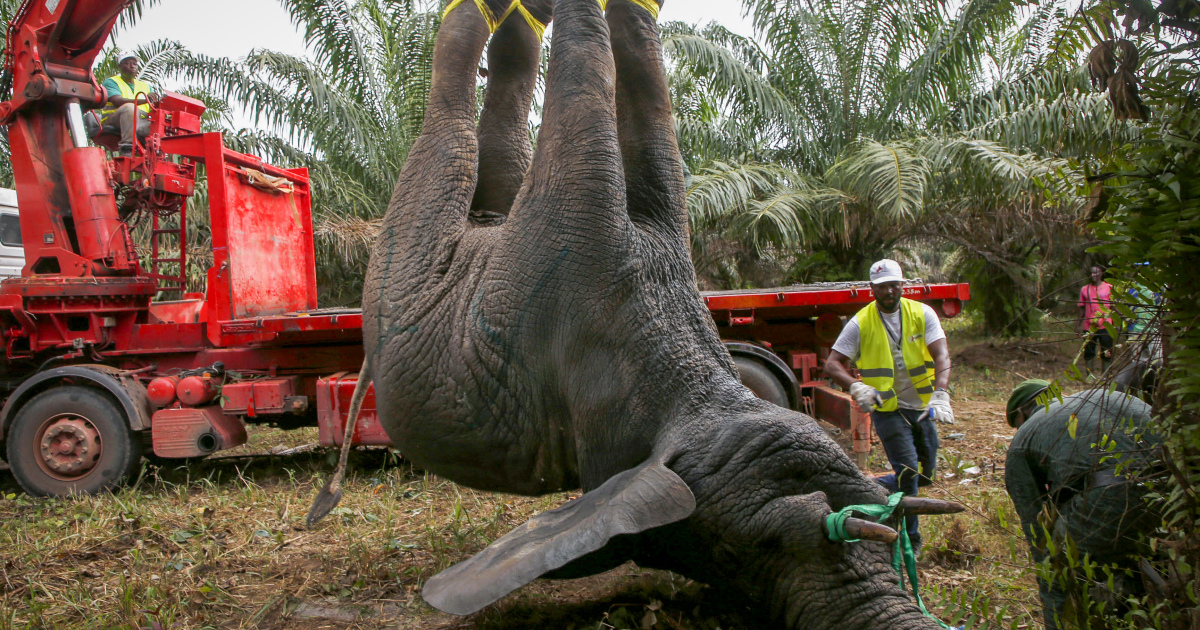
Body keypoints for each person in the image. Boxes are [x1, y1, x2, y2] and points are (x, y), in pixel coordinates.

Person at [1004, 380, 1163, 630]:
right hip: (1170, 489)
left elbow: (1034, 525)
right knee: (1139, 561)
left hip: (1112, 492)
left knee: (1054, 571)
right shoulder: (1098, 397)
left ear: (1022, 412)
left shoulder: (1025, 436)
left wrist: (1048, 563)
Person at [824, 258, 954, 550]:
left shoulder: (923, 314)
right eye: (883, 287)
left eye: (895, 285)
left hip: (921, 408)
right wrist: (856, 386)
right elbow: (832, 365)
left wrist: (941, 393)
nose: (890, 292)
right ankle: (910, 538)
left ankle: (867, 487)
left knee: (926, 476)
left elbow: (942, 356)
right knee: (909, 473)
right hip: (888, 410)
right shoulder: (861, 322)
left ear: (903, 285)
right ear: (872, 289)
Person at [85, 51, 159, 157]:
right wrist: (146, 100)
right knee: (129, 108)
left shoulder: (146, 87)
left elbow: (154, 106)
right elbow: (117, 101)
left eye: (134, 63)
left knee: (162, 124)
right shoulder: (112, 82)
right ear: (120, 66)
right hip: (115, 119)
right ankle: (127, 148)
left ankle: (158, 155)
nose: (132, 66)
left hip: (141, 121)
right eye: (128, 63)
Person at [1078, 265, 1114, 376]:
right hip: (1089, 325)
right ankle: (1090, 375)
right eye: (1092, 273)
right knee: (1088, 350)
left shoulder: (1109, 287)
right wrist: (1078, 324)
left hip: (1106, 325)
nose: (1094, 275)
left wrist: (1118, 321)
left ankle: (1105, 375)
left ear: (1101, 273)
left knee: (1107, 350)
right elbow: (1082, 309)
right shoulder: (1085, 289)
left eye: (1096, 273)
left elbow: (1114, 306)